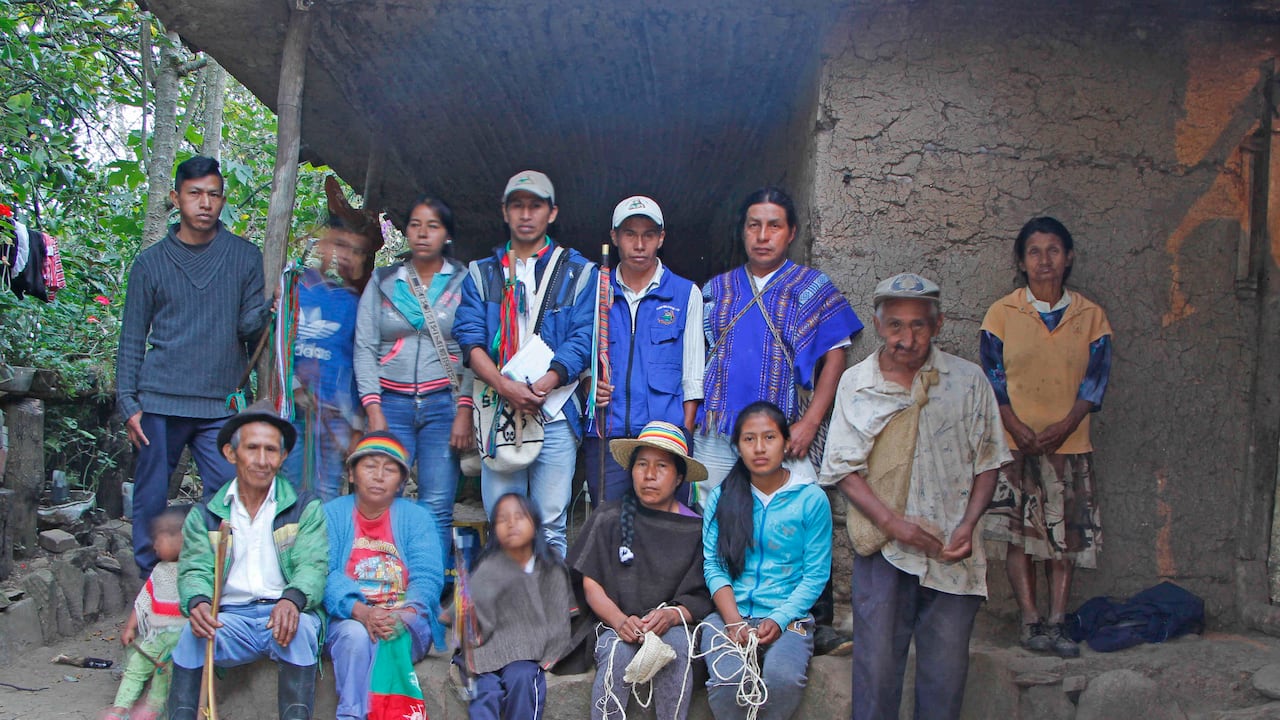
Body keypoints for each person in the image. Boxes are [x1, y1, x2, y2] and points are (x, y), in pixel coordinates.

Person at [819, 273, 1012, 720]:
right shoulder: (856, 383)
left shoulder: (967, 382)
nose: (907, 338)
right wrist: (895, 525)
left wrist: (967, 525)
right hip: (885, 553)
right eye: (895, 326)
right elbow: (844, 470)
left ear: (939, 324)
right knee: (876, 676)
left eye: (919, 326)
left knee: (944, 678)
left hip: (952, 552)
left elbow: (989, 461)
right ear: (878, 324)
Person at [694, 186, 862, 656]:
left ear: (790, 233)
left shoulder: (810, 286)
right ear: (742, 231)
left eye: (773, 225)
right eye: (753, 225)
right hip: (718, 426)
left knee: (803, 509)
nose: (762, 235)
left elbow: (836, 352)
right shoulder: (717, 289)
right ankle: (717, 614)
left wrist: (810, 420)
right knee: (714, 514)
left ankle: (814, 621)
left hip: (781, 429)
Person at [116, 155, 270, 577]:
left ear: (223, 200)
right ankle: (150, 583)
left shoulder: (244, 256)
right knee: (150, 496)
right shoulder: (151, 263)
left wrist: (271, 308)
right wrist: (128, 402)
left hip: (220, 404)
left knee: (229, 493)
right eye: (195, 194)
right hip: (159, 401)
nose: (205, 203)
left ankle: (213, 577)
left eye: (214, 194)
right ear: (176, 198)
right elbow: (132, 337)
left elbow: (248, 330)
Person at [980, 217, 1113, 658]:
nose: (1044, 260)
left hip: (1068, 446)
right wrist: (1015, 425)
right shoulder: (1002, 313)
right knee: (1020, 536)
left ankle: (1058, 622)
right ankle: (1029, 620)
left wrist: (1064, 426)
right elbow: (993, 378)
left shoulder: (1090, 316)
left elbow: (1094, 384)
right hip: (1015, 444)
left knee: (1062, 539)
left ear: (1068, 257)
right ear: (1021, 260)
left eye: (1053, 250)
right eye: (1034, 252)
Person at [453, 170, 597, 556]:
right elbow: (469, 338)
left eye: (536, 205)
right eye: (518, 205)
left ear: (552, 213)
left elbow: (584, 336)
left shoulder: (578, 272)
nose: (526, 214)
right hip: (499, 408)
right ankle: (505, 615)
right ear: (505, 211)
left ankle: (547, 614)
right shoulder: (482, 273)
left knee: (550, 521)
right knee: (504, 520)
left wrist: (545, 383)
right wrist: (506, 387)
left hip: (556, 408)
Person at [166, 401, 328, 720]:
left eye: (271, 450)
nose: (262, 460)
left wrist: (293, 601)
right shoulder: (206, 515)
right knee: (190, 638)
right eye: (252, 448)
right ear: (231, 453)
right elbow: (195, 569)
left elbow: (314, 566)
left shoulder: (305, 507)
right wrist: (197, 603)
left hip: (283, 614)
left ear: (282, 457)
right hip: (230, 619)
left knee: (301, 631)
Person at [355, 194, 472, 570]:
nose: (423, 234)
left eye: (433, 226)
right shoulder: (384, 280)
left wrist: (464, 409)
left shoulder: (464, 281)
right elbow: (364, 346)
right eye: (416, 225)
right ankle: (386, 582)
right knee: (384, 495)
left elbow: (475, 348)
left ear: (447, 235)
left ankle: (428, 590)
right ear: (405, 231)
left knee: (437, 504)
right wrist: (373, 409)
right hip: (391, 403)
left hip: (444, 404)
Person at [568, 421, 712, 720]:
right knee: (616, 654)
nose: (649, 475)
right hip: (612, 623)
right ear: (631, 471)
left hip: (673, 626)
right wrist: (619, 620)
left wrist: (673, 615)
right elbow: (590, 582)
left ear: (679, 478)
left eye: (661, 466)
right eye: (642, 465)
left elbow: (701, 594)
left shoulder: (695, 529)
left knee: (678, 651)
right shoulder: (608, 517)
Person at [699, 402, 832, 720]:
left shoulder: (810, 499)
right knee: (728, 680)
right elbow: (713, 565)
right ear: (737, 447)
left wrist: (781, 617)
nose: (759, 448)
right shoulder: (722, 497)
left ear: (786, 443)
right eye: (749, 439)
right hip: (730, 614)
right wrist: (732, 622)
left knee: (783, 679)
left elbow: (815, 575)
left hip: (790, 618)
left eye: (769, 437)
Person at [584, 197, 704, 507]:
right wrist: (589, 385)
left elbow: (692, 378)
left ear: (661, 238)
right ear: (614, 237)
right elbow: (581, 358)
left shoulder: (684, 293)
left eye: (649, 234)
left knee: (663, 530)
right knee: (608, 527)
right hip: (607, 436)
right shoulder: (594, 290)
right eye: (629, 234)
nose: (639, 244)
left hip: (664, 438)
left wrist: (683, 437)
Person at [324, 431, 447, 720]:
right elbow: (322, 572)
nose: (379, 476)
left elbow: (428, 576)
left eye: (389, 469)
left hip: (402, 617)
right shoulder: (330, 514)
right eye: (369, 466)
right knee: (355, 637)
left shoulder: (416, 518)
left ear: (401, 482)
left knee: (391, 634)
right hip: (349, 617)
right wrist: (361, 611)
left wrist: (405, 612)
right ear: (352, 474)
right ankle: (351, 716)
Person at [282, 176, 382, 500]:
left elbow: (359, 362)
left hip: (333, 416)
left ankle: (320, 552)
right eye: (339, 245)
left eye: (355, 250)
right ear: (323, 244)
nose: (346, 256)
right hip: (292, 412)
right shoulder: (293, 288)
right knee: (289, 490)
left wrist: (356, 423)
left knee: (324, 493)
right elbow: (278, 348)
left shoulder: (354, 303)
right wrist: (294, 388)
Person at [466, 493, 575, 720]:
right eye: (502, 519)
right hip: (487, 651)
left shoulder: (550, 568)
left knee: (523, 678)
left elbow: (558, 624)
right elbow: (473, 619)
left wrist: (547, 658)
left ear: (535, 524)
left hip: (529, 654)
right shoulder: (486, 567)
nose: (511, 524)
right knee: (485, 690)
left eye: (519, 517)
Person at [99, 507, 190, 720]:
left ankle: (153, 708)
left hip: (182, 637)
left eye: (161, 538)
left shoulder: (193, 571)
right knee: (135, 667)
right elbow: (144, 601)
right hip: (155, 634)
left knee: (164, 675)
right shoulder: (158, 571)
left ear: (182, 538)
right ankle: (120, 708)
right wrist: (130, 628)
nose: (155, 545)